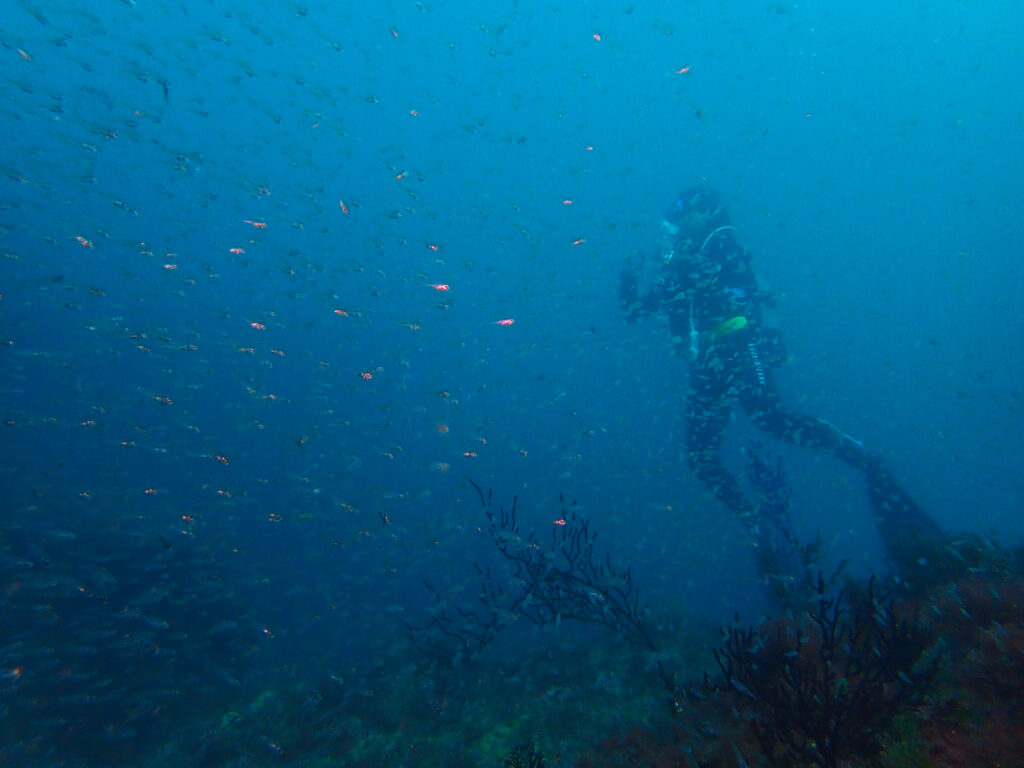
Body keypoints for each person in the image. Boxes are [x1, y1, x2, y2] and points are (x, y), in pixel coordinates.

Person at [618, 186, 955, 599]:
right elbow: (640, 310)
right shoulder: (689, 253)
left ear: (705, 212)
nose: (675, 219)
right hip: (707, 363)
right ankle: (758, 523)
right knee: (701, 457)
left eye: (683, 211)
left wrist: (675, 266)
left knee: (770, 420)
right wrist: (630, 277)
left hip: (739, 352)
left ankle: (864, 459)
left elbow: (724, 294)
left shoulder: (720, 243)